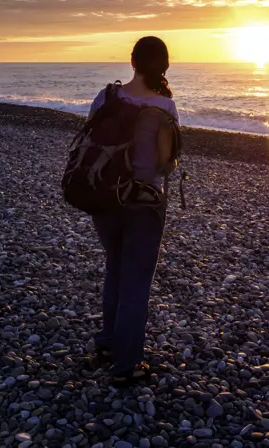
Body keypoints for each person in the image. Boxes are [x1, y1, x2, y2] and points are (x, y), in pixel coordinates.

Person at [86, 36, 179, 386]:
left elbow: (89, 139)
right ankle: (126, 365)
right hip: (143, 202)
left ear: (132, 62)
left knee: (115, 267)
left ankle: (108, 344)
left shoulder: (108, 95)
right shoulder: (164, 107)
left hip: (104, 198)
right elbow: (164, 163)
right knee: (137, 283)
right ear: (164, 65)